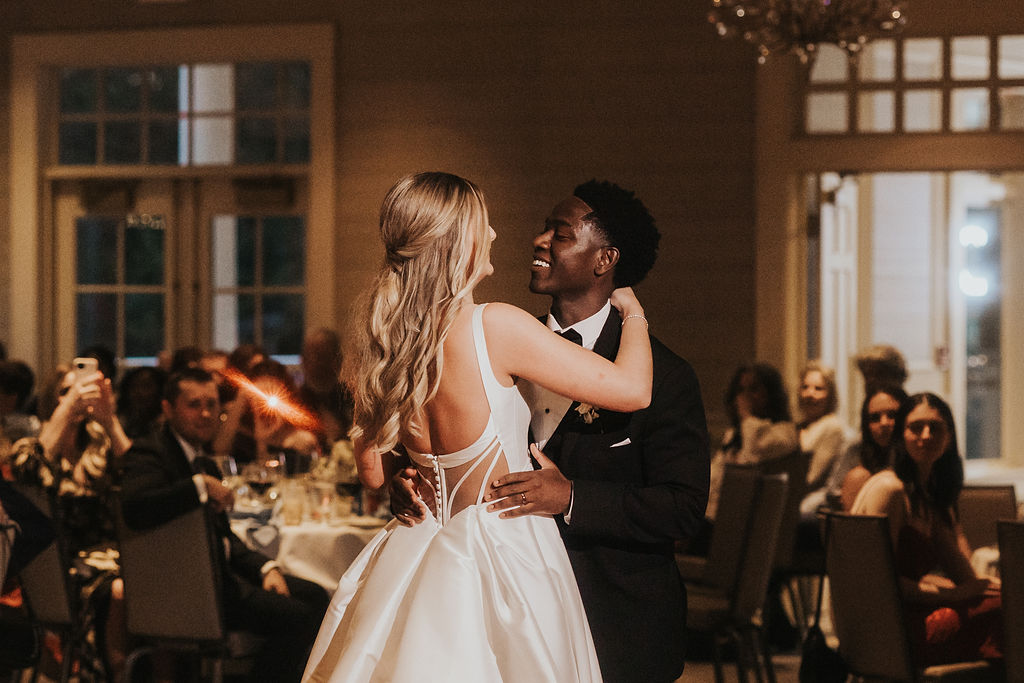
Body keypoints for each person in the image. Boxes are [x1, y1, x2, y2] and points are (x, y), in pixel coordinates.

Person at [303, 172, 655, 682]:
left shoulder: (379, 341)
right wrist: (635, 313)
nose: (492, 235)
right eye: (482, 224)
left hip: (416, 547)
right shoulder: (494, 326)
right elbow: (633, 390)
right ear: (455, 240)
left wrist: (407, 472)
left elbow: (375, 476)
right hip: (503, 551)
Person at [121, 368, 329, 683]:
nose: (205, 413)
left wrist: (266, 567)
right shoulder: (151, 452)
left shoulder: (201, 460)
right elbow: (135, 508)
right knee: (298, 619)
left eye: (212, 404)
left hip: (218, 580)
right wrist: (199, 486)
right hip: (188, 593)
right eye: (194, 405)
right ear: (168, 409)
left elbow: (224, 538)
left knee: (316, 596)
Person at [851, 392, 1003, 666]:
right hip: (888, 631)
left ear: (949, 437)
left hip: (913, 614)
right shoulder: (890, 489)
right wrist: (951, 594)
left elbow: (964, 575)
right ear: (901, 435)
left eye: (935, 427)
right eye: (915, 427)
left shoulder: (927, 495)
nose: (925, 435)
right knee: (1006, 615)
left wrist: (997, 587)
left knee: (1008, 602)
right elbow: (874, 583)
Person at [703, 362, 797, 523]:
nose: (744, 398)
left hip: (748, 520)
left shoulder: (785, 432)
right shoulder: (734, 434)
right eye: (740, 391)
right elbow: (713, 478)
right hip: (715, 515)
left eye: (753, 389)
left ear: (770, 394)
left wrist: (746, 416)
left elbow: (748, 465)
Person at [827, 384, 908, 511]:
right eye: (875, 418)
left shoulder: (918, 448)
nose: (884, 423)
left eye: (892, 415)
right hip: (862, 522)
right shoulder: (856, 448)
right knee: (858, 477)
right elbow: (833, 492)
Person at [796, 360, 848, 516]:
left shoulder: (831, 427)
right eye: (805, 387)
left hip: (810, 503)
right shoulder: (799, 426)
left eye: (818, 389)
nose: (810, 394)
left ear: (830, 395)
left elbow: (811, 478)